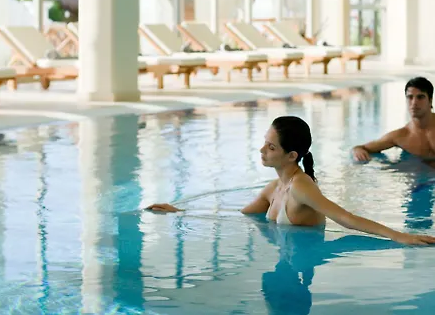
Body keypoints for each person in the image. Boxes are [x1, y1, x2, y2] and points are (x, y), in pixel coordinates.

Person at [147, 116, 435, 246]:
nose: (262, 150)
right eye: (265, 142)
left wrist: (399, 235)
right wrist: (180, 212)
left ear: (291, 156)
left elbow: (345, 218)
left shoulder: (301, 186)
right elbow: (240, 216)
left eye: (271, 147)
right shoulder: (274, 188)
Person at [352, 77, 435, 162]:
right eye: (410, 97)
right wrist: (357, 150)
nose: (414, 102)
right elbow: (361, 148)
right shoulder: (401, 136)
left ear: (430, 101)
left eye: (420, 97)